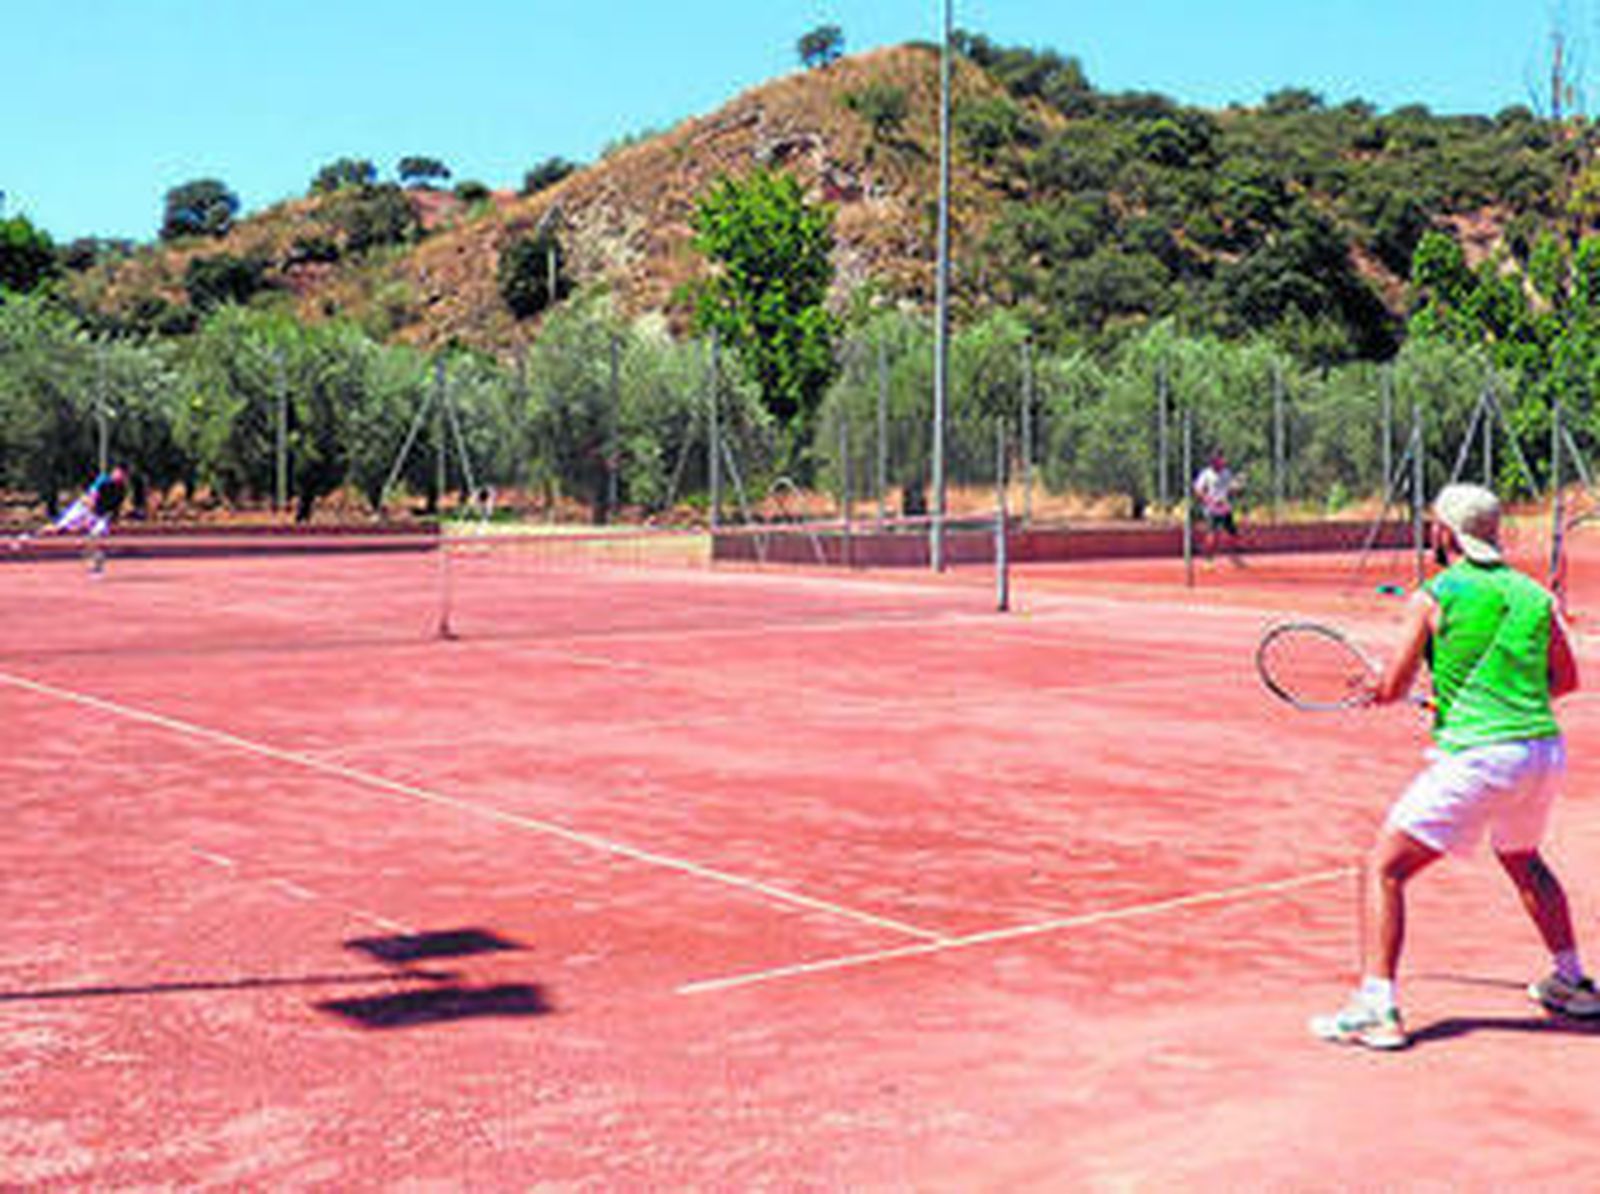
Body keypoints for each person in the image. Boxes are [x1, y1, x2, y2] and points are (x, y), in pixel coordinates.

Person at [1311, 482, 1600, 1051]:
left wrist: (1377, 689)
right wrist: (1489, 695)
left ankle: (1377, 1007)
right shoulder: (1534, 596)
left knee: (1384, 867)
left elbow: (1393, 687)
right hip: (1540, 753)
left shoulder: (1435, 594)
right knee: (1522, 856)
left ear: (1446, 532)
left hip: (1480, 756)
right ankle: (1573, 982)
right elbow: (1564, 682)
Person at [11, 466, 129, 573]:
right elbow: (91, 497)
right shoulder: (103, 480)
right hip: (83, 509)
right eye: (117, 472)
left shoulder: (122, 490)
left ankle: (95, 562)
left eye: (122, 474)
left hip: (99, 515)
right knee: (57, 529)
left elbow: (114, 509)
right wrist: (86, 518)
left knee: (96, 537)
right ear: (113, 472)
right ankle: (29, 536)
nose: (118, 475)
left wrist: (109, 519)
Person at [1192, 451, 1243, 559]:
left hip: (1225, 508)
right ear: (1213, 462)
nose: (1222, 461)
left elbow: (1230, 489)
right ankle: (1208, 558)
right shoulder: (1206, 474)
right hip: (1212, 509)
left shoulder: (1227, 472)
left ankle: (1233, 555)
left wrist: (1236, 488)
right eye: (1218, 460)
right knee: (1212, 534)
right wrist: (1207, 499)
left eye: (1221, 459)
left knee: (1233, 533)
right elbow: (1197, 490)